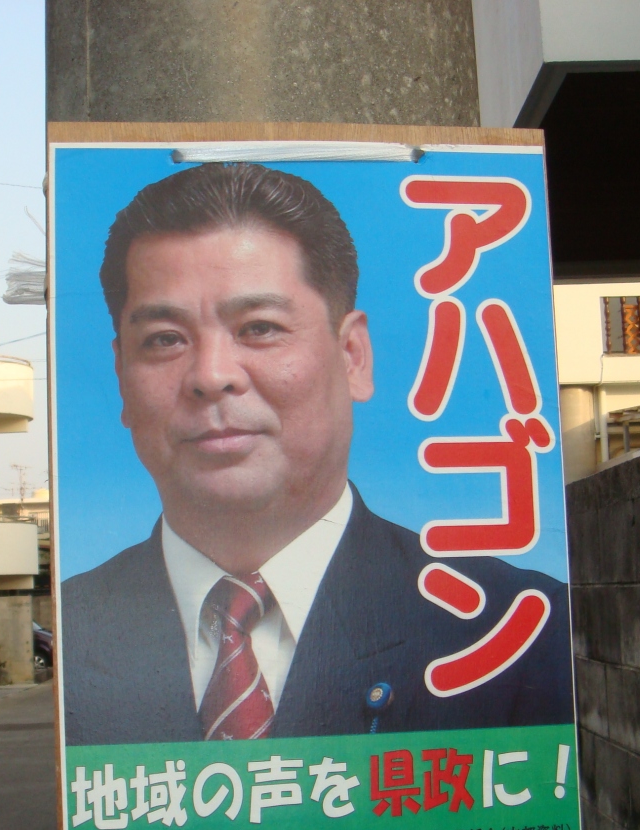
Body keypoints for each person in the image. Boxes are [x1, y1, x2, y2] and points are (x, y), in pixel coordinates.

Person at [61, 162, 572, 746]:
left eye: (259, 328)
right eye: (164, 340)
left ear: (352, 354)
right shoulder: (73, 627)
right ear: (121, 374)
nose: (211, 376)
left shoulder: (514, 629)